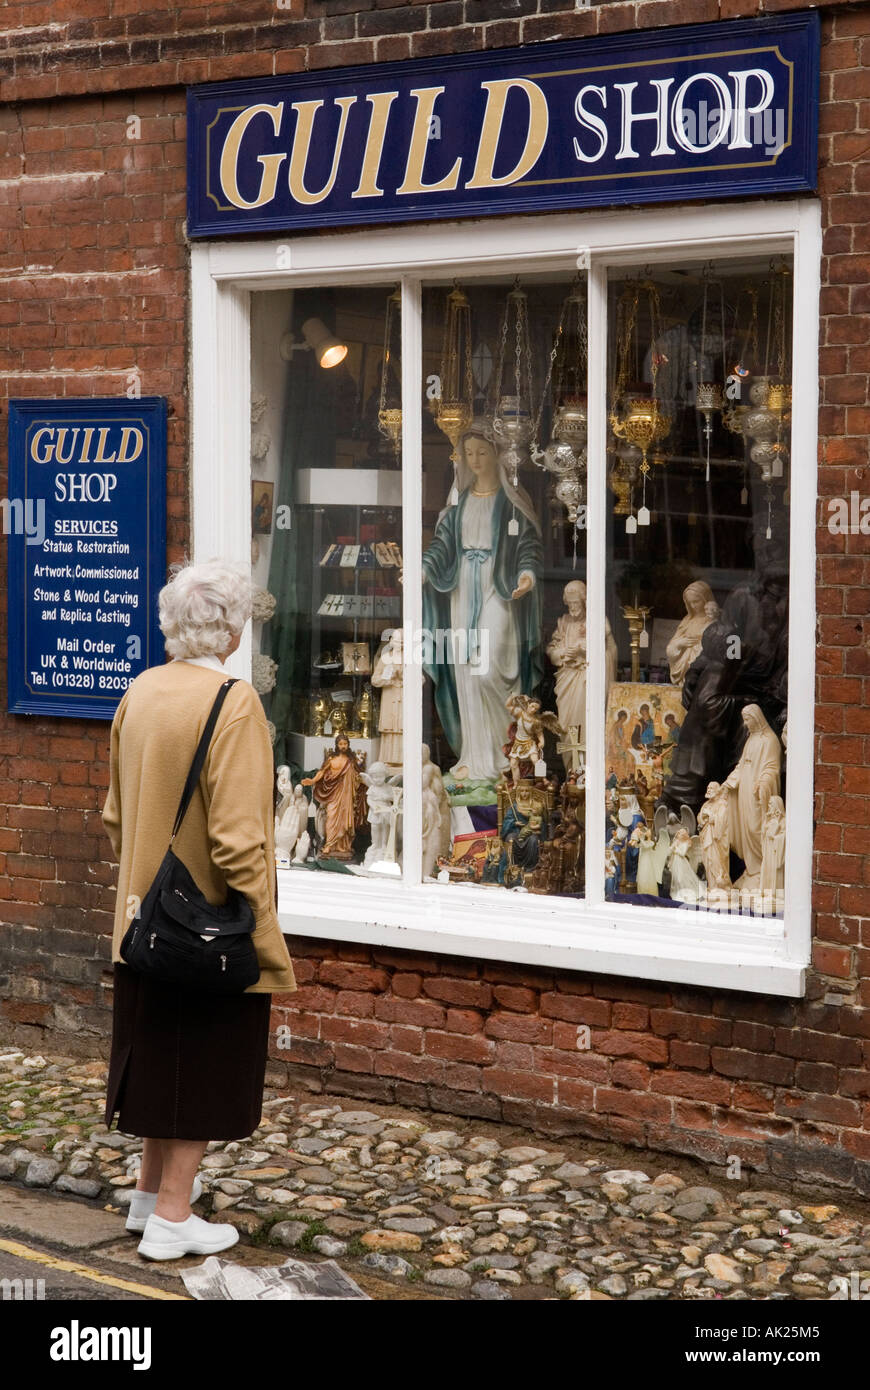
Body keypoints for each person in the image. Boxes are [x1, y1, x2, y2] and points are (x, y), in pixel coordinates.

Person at [101, 559, 297, 1262]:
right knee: (202, 1062)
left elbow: (116, 815)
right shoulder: (233, 703)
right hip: (206, 929)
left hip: (142, 922)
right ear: (235, 628)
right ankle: (174, 1218)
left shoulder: (141, 691)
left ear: (171, 623)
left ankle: (149, 1196)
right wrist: (266, 939)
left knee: (158, 1057)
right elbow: (239, 842)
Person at [422, 419, 543, 783]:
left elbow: (528, 546)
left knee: (490, 669)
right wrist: (424, 570)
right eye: (468, 453)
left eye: (482, 452)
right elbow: (441, 546)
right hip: (462, 588)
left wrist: (528, 574)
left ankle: (504, 755)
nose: (474, 460)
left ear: (497, 455)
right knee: (467, 672)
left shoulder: (512, 503)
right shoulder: (457, 504)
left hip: (497, 587)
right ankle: (473, 758)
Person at [302, 733, 367, 860]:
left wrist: (364, 782)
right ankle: (329, 845)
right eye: (341, 744)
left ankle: (344, 847)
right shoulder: (331, 760)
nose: (343, 746)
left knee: (345, 821)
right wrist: (312, 780)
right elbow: (322, 772)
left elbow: (357, 777)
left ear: (348, 745)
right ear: (337, 745)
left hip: (346, 797)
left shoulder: (351, 761)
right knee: (331, 818)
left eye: (345, 744)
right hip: (333, 795)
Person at [665, 581, 718, 688]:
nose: (693, 606)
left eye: (696, 601)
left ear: (705, 599)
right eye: (690, 603)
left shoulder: (715, 622)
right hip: (684, 668)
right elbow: (670, 649)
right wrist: (679, 644)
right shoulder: (687, 621)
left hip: (702, 670)